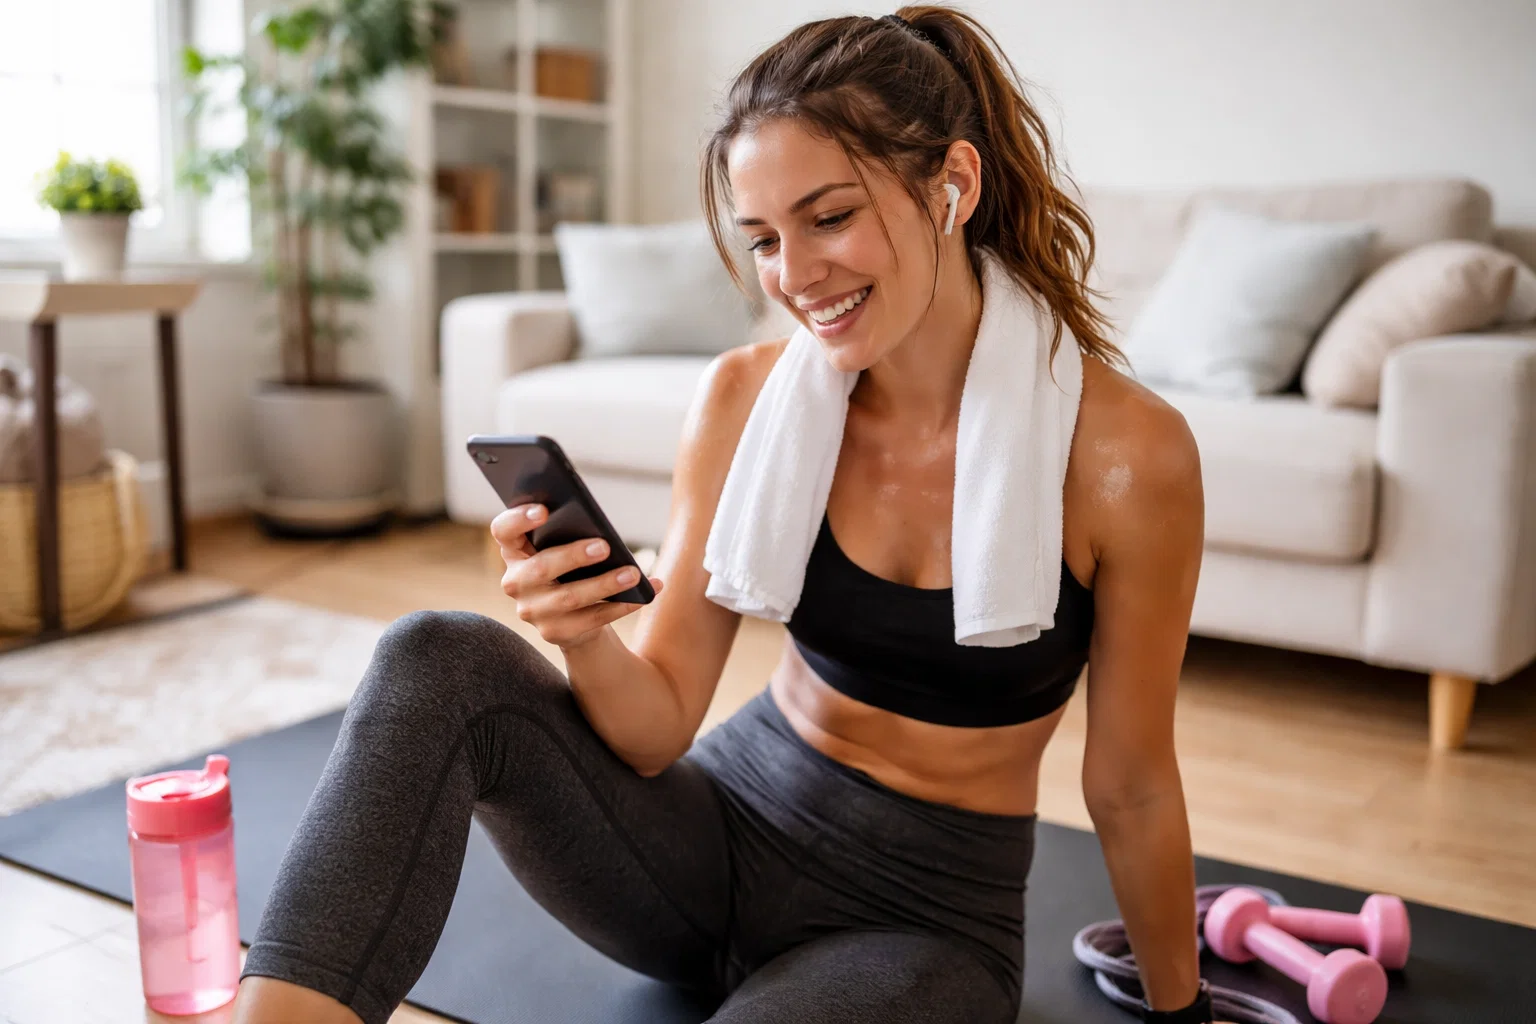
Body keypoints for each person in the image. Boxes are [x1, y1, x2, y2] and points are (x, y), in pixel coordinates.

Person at [232, 7, 1217, 1024]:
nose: (793, 277)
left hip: (921, 922)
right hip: (710, 841)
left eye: (829, 217)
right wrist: (585, 636)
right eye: (764, 240)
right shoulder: (748, 400)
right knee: (434, 656)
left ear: (952, 185)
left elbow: (1132, 785)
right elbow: (656, 726)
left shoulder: (1123, 458)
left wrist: (1185, 1015)